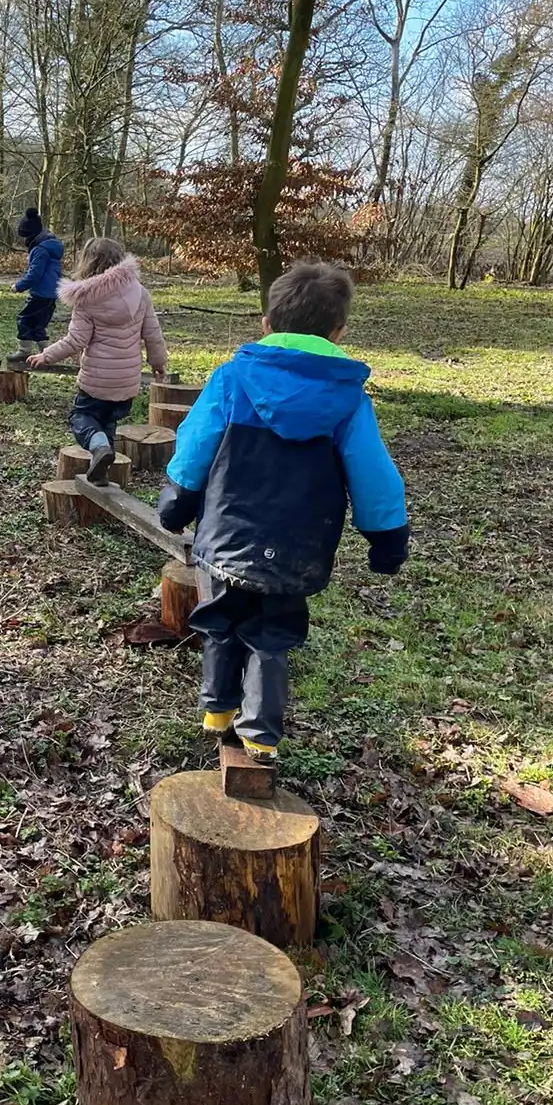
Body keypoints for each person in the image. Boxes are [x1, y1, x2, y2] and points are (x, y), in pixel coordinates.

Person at [158, 261, 409, 764]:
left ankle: (217, 708)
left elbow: (194, 448)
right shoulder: (347, 400)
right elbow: (371, 470)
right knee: (272, 634)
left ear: (266, 324)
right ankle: (261, 734)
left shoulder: (231, 380)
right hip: (299, 545)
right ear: (338, 332)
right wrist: (387, 535)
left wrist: (176, 501)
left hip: (228, 534)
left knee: (222, 616)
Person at [29, 238, 167, 482]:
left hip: (98, 381)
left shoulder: (87, 298)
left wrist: (46, 355)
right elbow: (153, 334)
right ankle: (101, 470)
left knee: (81, 418)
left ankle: (100, 449)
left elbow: (75, 341)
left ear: (88, 262)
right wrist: (157, 363)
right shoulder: (139, 291)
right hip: (127, 382)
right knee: (107, 421)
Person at [8, 207, 64, 366]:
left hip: (40, 293)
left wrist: (18, 286)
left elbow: (35, 274)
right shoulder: (50, 246)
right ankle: (47, 355)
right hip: (50, 294)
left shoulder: (40, 249)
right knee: (38, 324)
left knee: (24, 319)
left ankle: (24, 351)